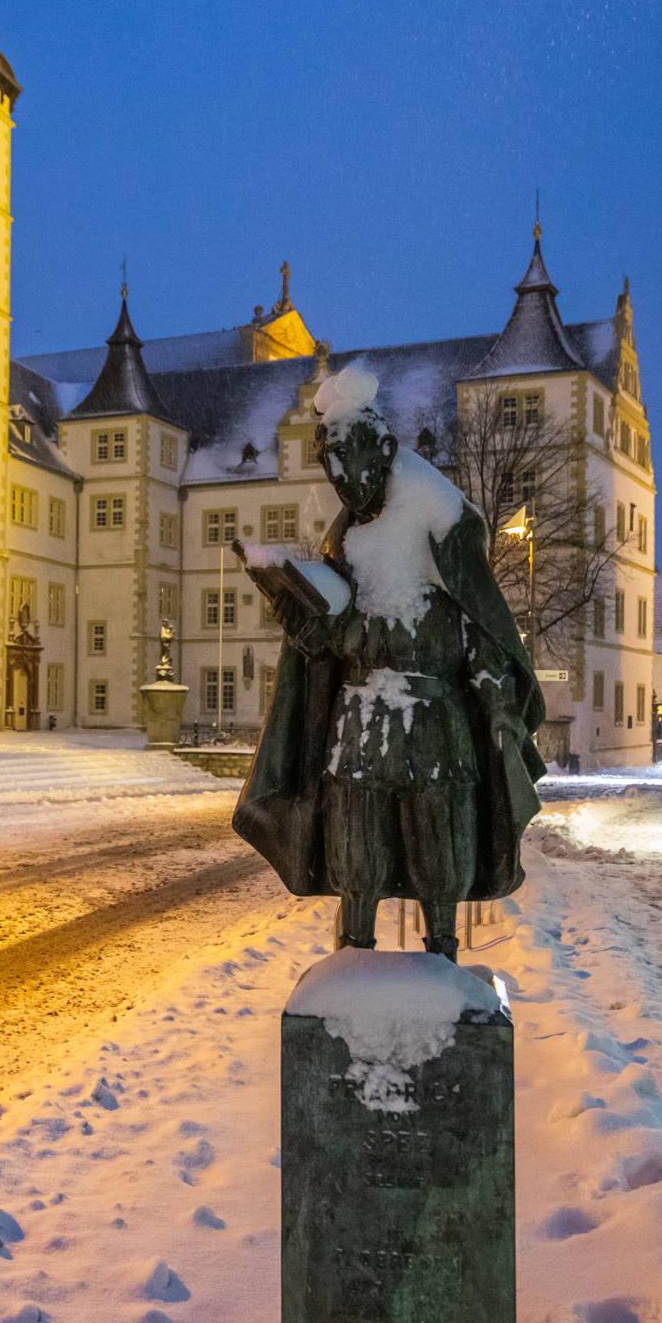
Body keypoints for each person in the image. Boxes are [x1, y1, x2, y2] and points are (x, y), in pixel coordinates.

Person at [233, 365, 544, 960]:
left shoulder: (442, 525)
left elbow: (479, 629)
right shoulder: (344, 541)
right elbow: (339, 638)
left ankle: (443, 957)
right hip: (357, 727)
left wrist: (497, 694)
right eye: (329, 463)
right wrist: (307, 627)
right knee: (355, 857)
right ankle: (354, 958)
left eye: (347, 458)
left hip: (436, 727)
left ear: (384, 450)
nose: (340, 477)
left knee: (441, 856)